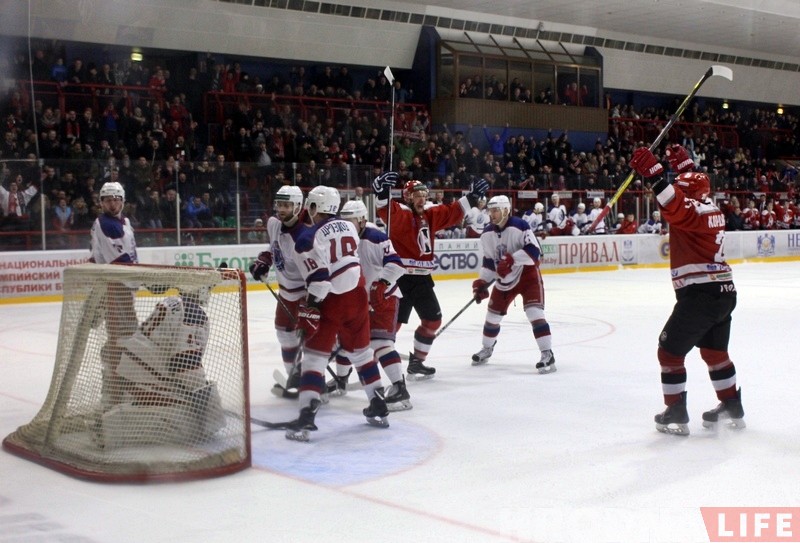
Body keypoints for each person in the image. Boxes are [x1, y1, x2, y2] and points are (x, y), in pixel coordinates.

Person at [629, 143, 744, 436]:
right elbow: (690, 190)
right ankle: (731, 404)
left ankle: (675, 411)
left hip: (701, 294)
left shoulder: (692, 212)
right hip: (723, 293)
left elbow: (675, 203)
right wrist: (684, 168)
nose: (678, 189)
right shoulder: (709, 206)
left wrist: (654, 174)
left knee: (669, 352)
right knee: (715, 353)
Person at [280, 185, 388, 441]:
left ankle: (306, 417)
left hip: (332, 300)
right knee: (362, 353)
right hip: (359, 295)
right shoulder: (350, 226)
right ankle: (378, 403)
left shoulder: (306, 239)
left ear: (315, 207)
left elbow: (319, 281)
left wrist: (311, 308)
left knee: (314, 358)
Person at [373, 172, 489, 378]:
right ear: (407, 197)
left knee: (433, 320)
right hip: (400, 278)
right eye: (417, 195)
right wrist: (381, 192)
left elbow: (452, 211)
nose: (422, 199)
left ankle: (417, 361)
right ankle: (366, 364)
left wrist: (472, 197)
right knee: (391, 326)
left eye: (424, 195)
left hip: (422, 279)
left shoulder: (429, 215)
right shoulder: (399, 212)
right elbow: (385, 209)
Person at [86, 286, 225, 448]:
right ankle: (115, 427)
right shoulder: (193, 312)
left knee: (194, 404)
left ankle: (115, 415)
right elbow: (186, 369)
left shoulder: (173, 303)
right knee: (192, 424)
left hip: (129, 378)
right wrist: (207, 407)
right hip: (144, 385)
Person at [331, 199, 411, 411]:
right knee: (345, 339)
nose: (347, 225)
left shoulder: (376, 237)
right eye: (344, 221)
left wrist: (381, 284)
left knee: (380, 344)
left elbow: (396, 263)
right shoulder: (340, 240)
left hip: (383, 299)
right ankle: (341, 379)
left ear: (363, 220)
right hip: (357, 300)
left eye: (352, 221)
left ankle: (399, 388)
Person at [470, 195, 556, 373]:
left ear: (506, 210)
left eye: (495, 210)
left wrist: (512, 259)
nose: (491, 214)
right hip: (504, 280)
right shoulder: (486, 234)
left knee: (534, 313)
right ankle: (487, 348)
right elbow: (488, 263)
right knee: (492, 317)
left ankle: (547, 353)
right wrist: (482, 283)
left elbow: (535, 252)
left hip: (527, 276)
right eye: (490, 210)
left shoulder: (520, 226)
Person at [249, 185, 307, 395]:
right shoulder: (274, 223)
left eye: (286, 205)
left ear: (298, 206)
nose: (281, 209)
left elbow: (315, 271)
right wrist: (264, 260)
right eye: (279, 204)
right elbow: (273, 248)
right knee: (284, 335)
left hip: (305, 294)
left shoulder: (303, 237)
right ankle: (294, 377)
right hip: (285, 292)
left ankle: (312, 381)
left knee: (309, 339)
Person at [89, 181, 138, 265]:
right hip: (113, 275)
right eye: (108, 200)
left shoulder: (125, 220)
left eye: (116, 200)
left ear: (123, 200)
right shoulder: (107, 224)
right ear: (102, 202)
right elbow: (120, 262)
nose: (112, 204)